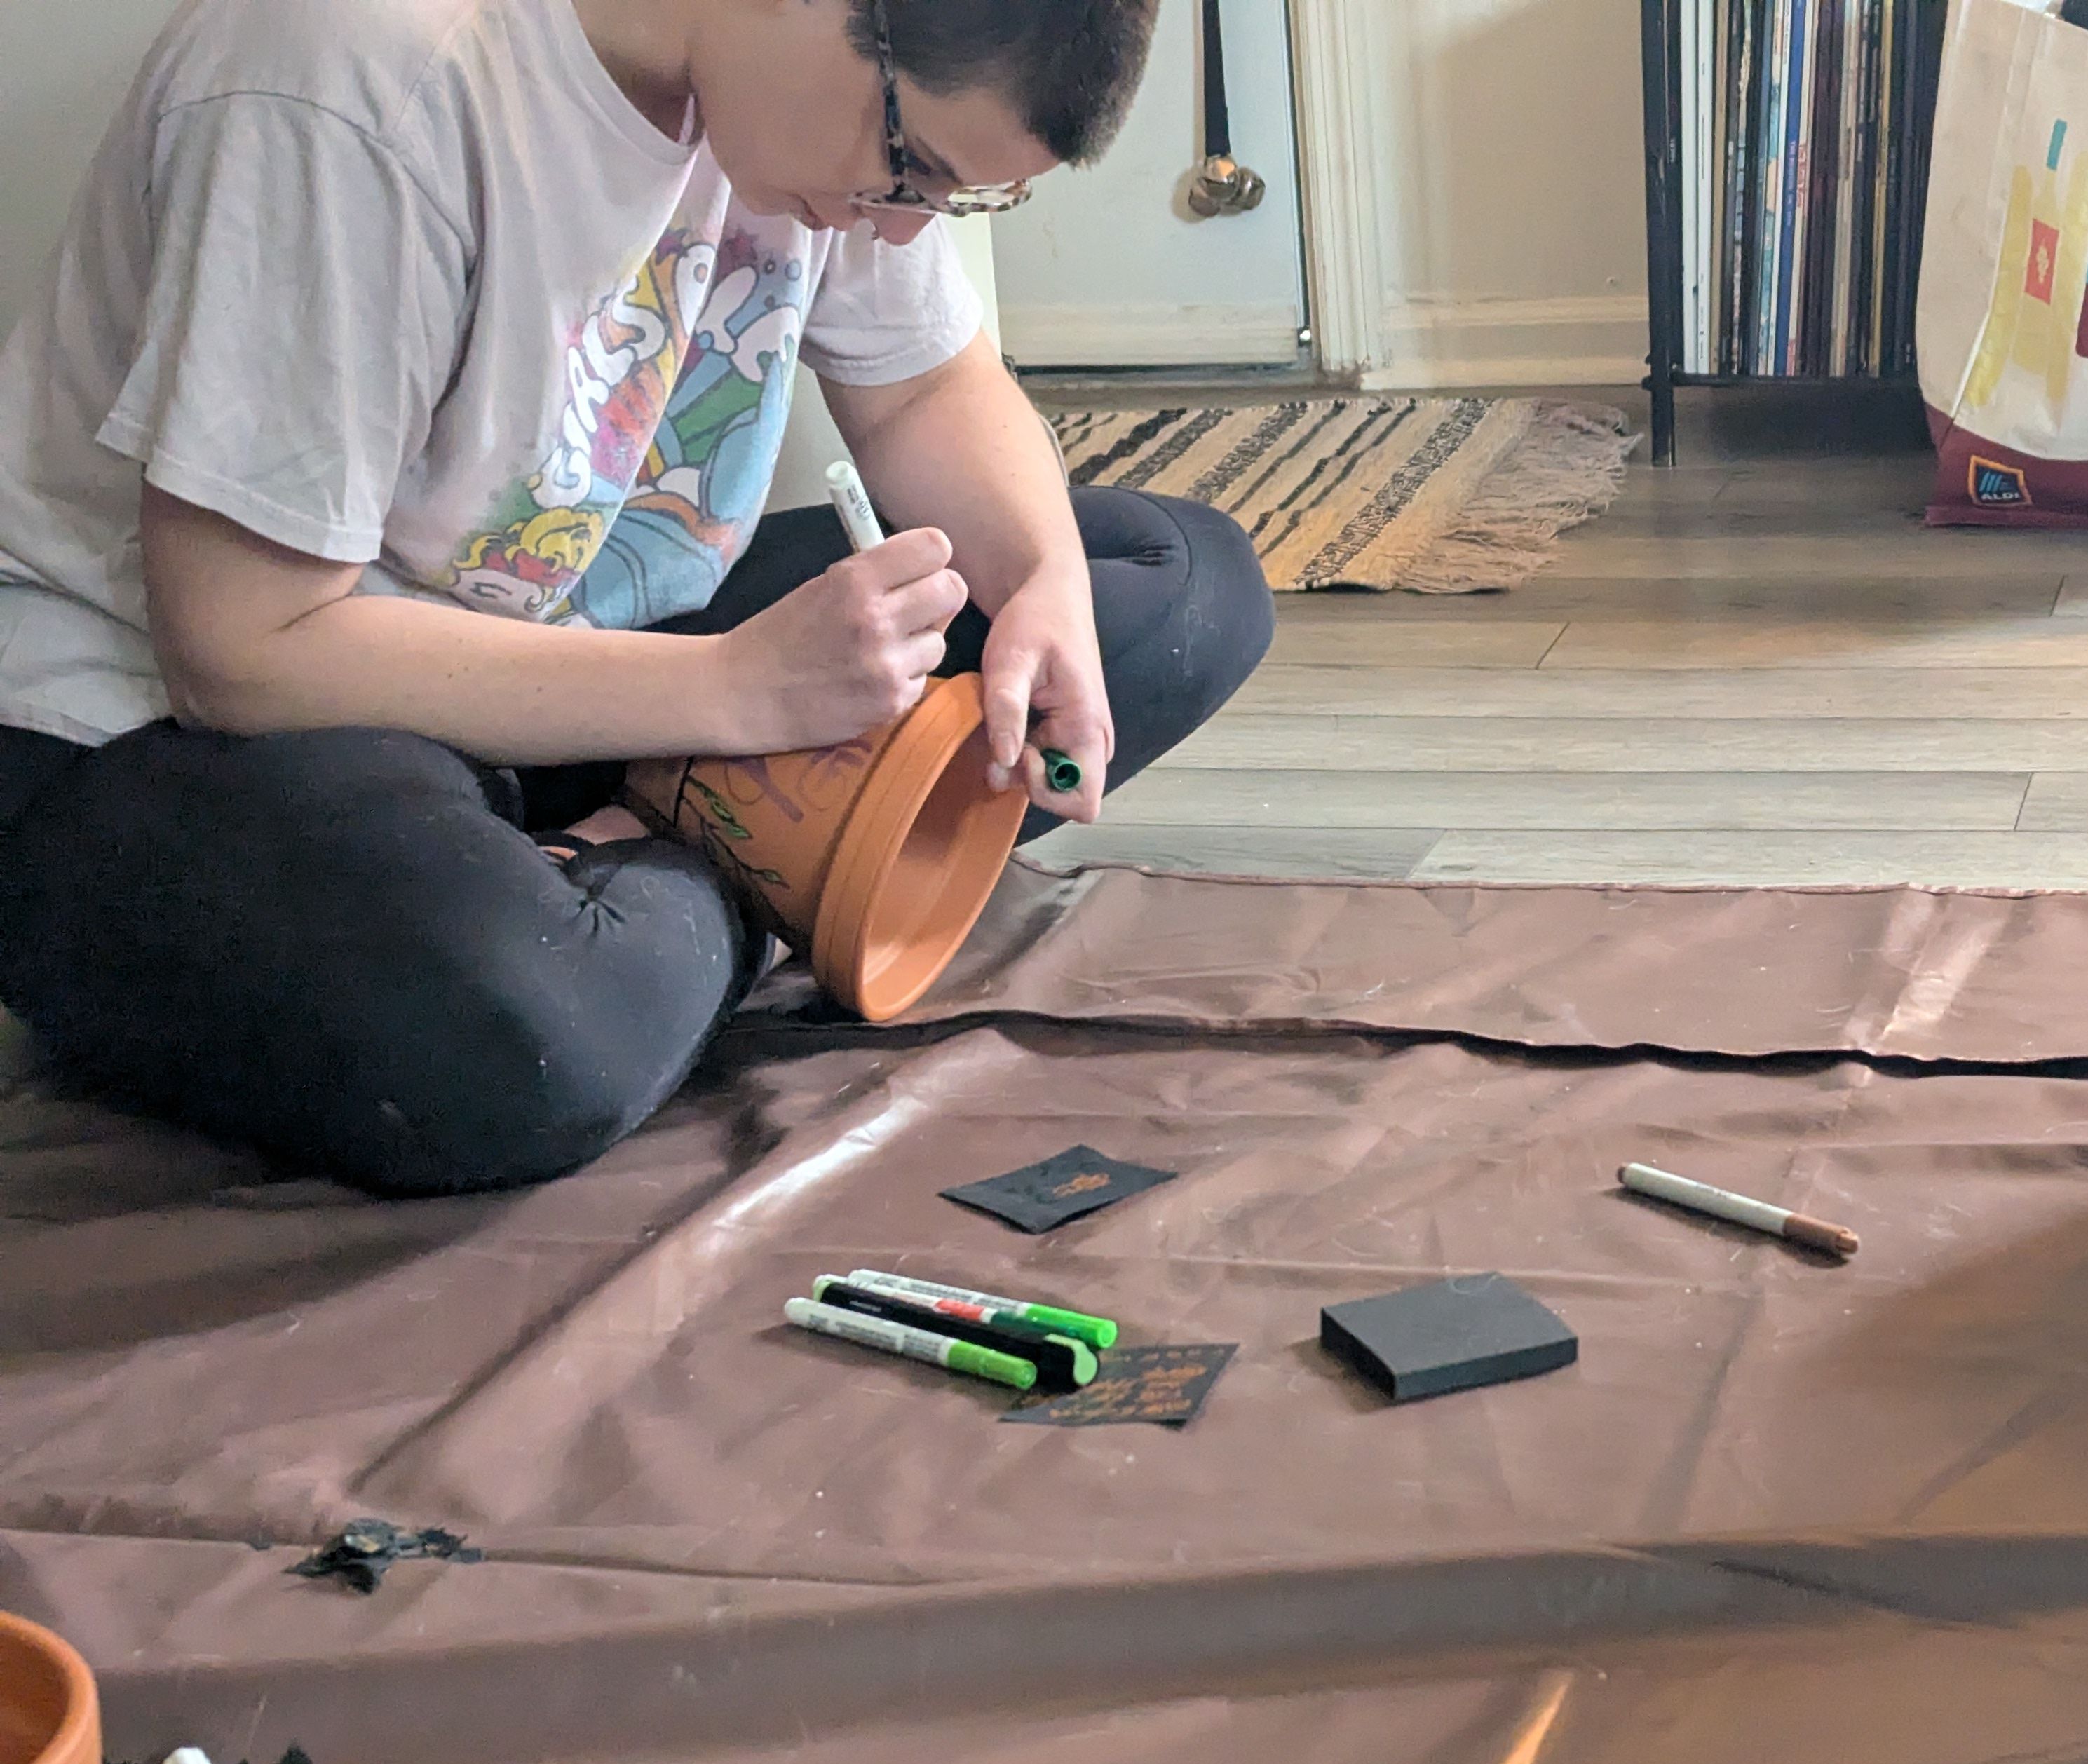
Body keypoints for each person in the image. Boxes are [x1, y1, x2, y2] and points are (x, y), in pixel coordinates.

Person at [0, 0, 1277, 1194]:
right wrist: (737, 693)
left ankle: (654, 875)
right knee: (519, 1039)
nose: (899, 226)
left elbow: (928, 388)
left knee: (1176, 584)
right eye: (914, 171)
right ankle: (754, 874)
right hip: (168, 738)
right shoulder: (348, 80)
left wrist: (1043, 588)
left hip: (582, 683)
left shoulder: (806, 109)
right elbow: (243, 648)